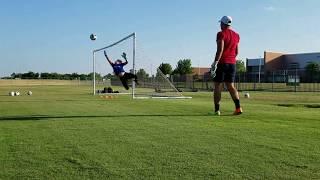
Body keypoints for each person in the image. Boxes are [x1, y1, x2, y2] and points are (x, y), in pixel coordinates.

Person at [212, 16, 242, 115]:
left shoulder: (221, 34)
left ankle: (217, 110)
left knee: (217, 86)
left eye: (221, 23)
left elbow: (220, 50)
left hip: (222, 63)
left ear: (224, 24)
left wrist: (215, 62)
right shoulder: (237, 35)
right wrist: (231, 59)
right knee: (231, 86)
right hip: (232, 64)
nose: (220, 25)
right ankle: (238, 108)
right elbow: (237, 51)